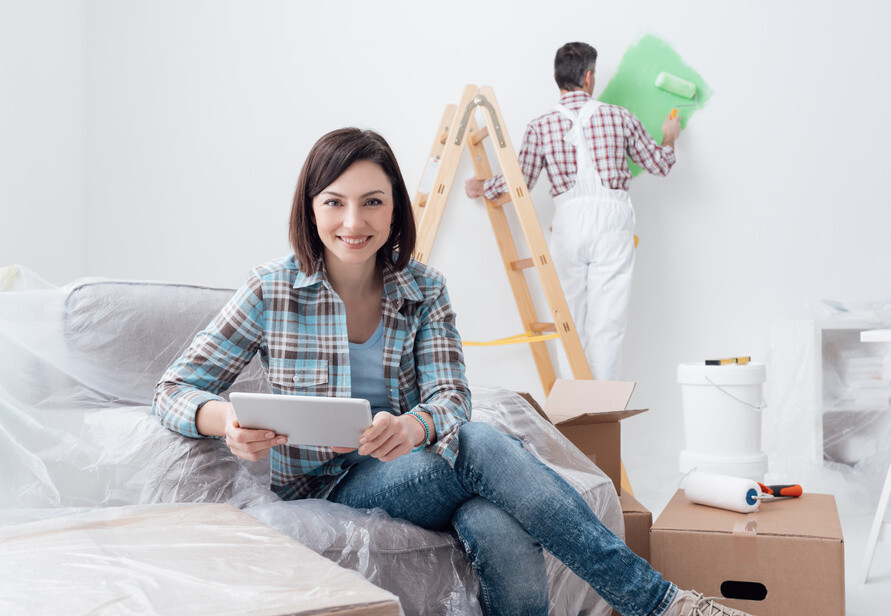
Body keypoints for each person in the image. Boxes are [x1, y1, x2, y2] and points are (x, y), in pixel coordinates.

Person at [153, 128, 749, 616]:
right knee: (481, 448)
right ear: (310, 209)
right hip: (325, 482)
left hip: (410, 468)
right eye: (334, 201)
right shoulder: (272, 289)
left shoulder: (423, 289)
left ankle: (663, 606)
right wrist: (225, 419)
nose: (352, 221)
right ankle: (661, 604)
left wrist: (413, 428)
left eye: (372, 201)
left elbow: (450, 396)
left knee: (492, 516)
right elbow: (174, 388)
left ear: (394, 209)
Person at [466, 42, 681, 381]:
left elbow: (518, 182)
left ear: (556, 77)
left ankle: (576, 411)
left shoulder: (541, 125)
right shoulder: (619, 117)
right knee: (607, 323)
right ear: (589, 77)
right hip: (612, 224)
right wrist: (669, 137)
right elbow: (660, 164)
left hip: (568, 224)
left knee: (568, 320)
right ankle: (603, 413)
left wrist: (483, 187)